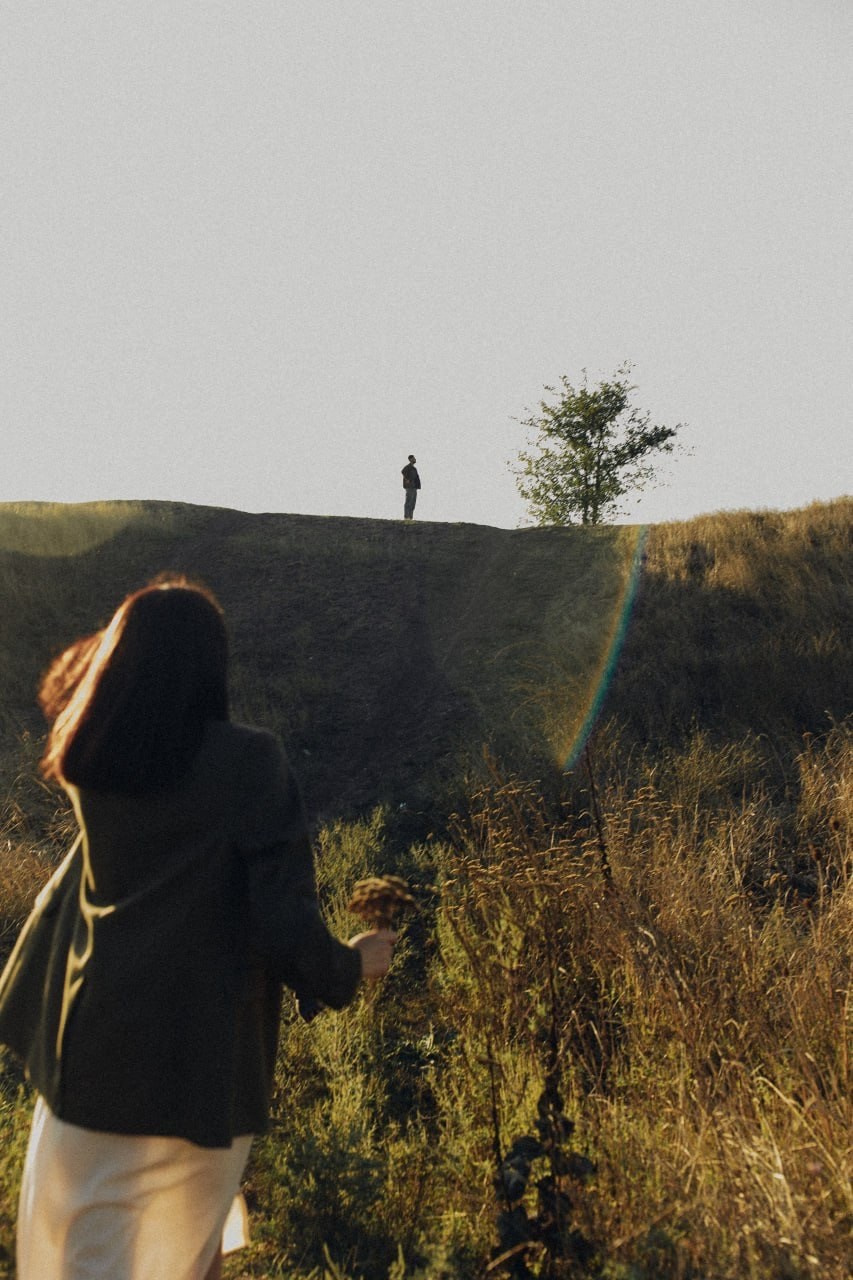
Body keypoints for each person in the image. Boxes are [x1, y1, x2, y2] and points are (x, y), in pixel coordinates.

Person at [0, 577, 395, 1280]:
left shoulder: (93, 766)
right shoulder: (249, 764)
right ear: (212, 667)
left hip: (87, 1067)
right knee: (186, 1259)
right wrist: (353, 965)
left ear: (119, 661)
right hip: (200, 1072)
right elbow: (285, 925)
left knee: (81, 1263)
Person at [402, 454, 421, 519]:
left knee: (413, 503)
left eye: (414, 458)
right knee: (408, 501)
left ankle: (410, 517)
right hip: (409, 487)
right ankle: (406, 517)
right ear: (410, 459)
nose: (415, 459)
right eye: (413, 458)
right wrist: (407, 480)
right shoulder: (408, 467)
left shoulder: (414, 468)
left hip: (414, 487)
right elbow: (403, 471)